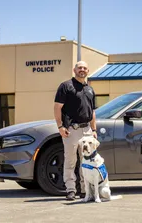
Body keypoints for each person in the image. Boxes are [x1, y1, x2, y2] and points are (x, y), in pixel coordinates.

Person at [54, 61, 97, 201]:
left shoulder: (90, 89)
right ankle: (71, 190)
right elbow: (57, 107)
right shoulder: (66, 86)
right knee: (70, 161)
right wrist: (60, 127)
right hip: (72, 130)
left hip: (87, 130)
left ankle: (85, 191)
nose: (82, 70)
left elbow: (92, 112)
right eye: (79, 68)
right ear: (74, 70)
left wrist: (94, 129)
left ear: (88, 71)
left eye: (84, 68)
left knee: (86, 162)